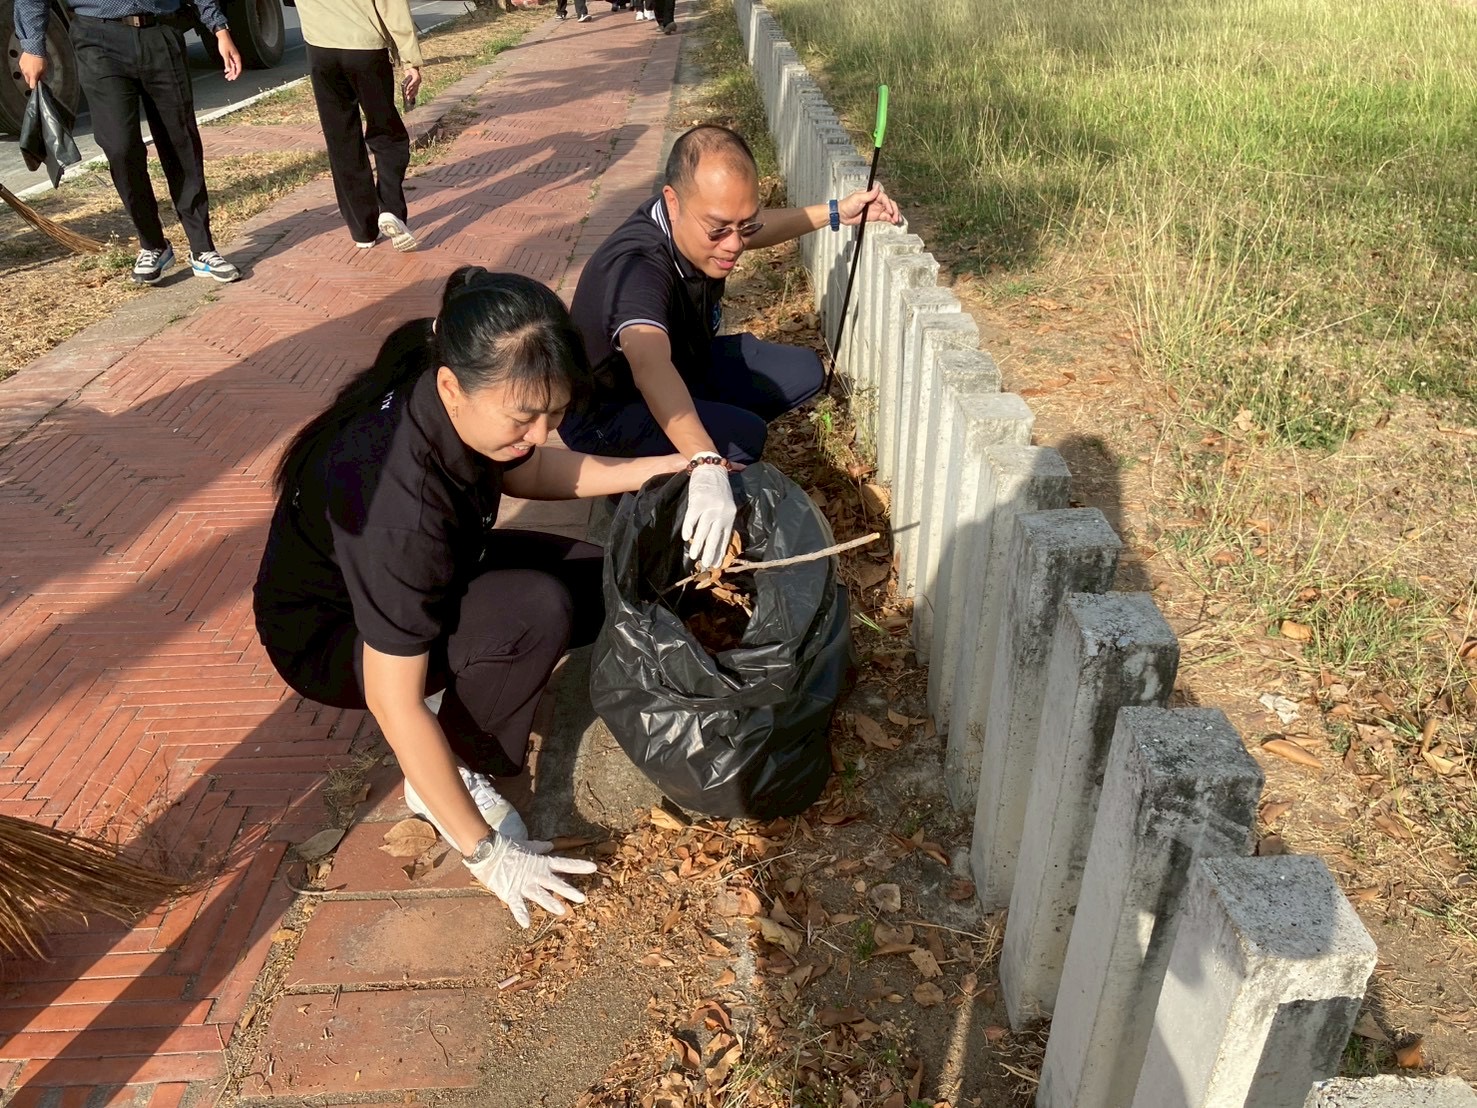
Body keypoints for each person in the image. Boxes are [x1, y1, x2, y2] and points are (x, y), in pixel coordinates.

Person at [253, 267, 686, 927]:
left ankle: (450, 719)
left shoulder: (451, 376)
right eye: (524, 417)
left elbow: (532, 469)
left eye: (555, 412)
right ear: (452, 387)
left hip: (436, 570)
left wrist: (659, 469)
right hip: (331, 635)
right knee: (535, 612)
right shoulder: (397, 506)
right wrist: (484, 853)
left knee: (605, 584)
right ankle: (445, 774)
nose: (540, 433)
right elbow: (390, 698)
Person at [562, 123, 900, 569]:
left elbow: (748, 228)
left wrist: (838, 212)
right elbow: (649, 364)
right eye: (719, 229)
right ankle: (648, 491)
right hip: (608, 414)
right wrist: (705, 461)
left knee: (803, 373)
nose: (735, 245)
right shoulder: (637, 269)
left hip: (683, 367)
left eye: (744, 225)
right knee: (743, 438)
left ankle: (698, 440)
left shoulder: (695, 222)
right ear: (672, 201)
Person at [15, 0, 244, 284]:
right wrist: (32, 45)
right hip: (96, 38)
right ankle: (153, 244)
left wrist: (219, 28)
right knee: (120, 148)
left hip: (161, 31)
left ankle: (202, 248)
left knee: (180, 142)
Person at [296, 0, 424, 250]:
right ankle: (390, 209)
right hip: (364, 48)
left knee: (341, 139)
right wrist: (411, 61)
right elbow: (392, 6)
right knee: (388, 134)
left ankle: (362, 229)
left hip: (320, 50)